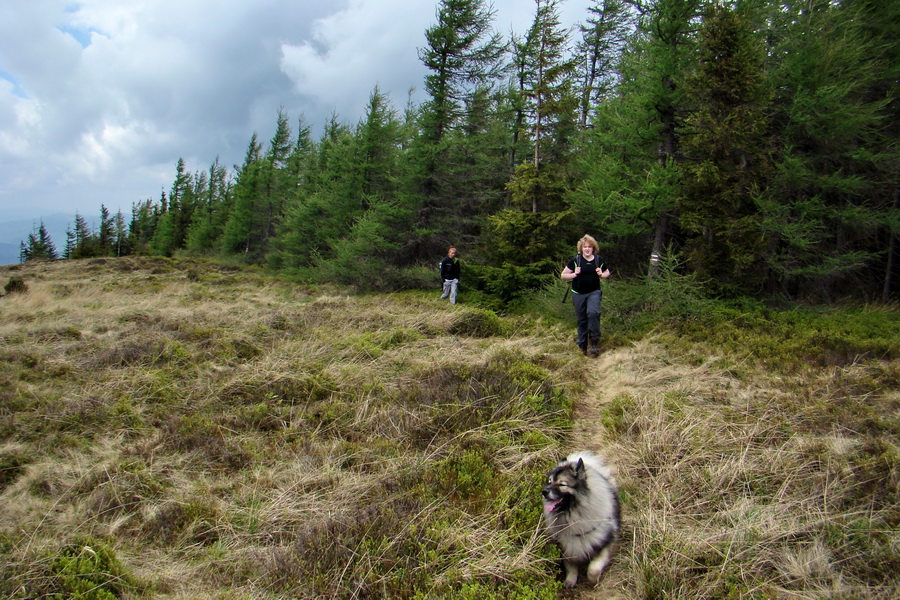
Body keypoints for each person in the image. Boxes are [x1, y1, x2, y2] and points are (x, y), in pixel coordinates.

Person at [561, 235, 610, 356]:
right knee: (582, 319)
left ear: (593, 248)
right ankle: (582, 344)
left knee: (593, 313)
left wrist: (601, 274)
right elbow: (563, 275)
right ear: (581, 248)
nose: (587, 249)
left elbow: (607, 272)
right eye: (585, 247)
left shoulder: (598, 260)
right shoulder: (575, 261)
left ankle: (594, 340)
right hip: (578, 293)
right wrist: (574, 274)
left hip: (594, 292)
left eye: (589, 247)